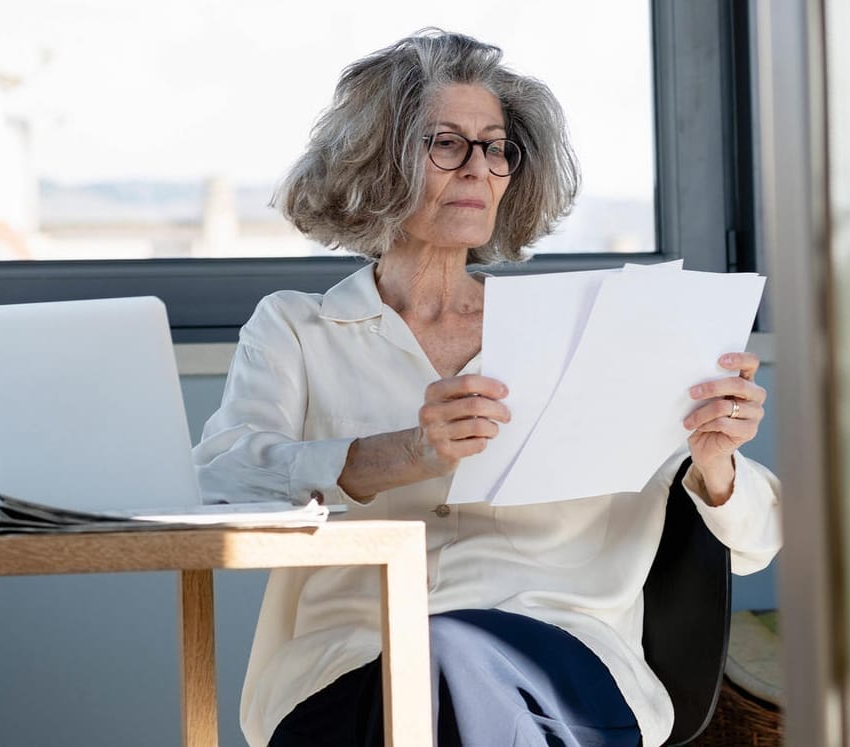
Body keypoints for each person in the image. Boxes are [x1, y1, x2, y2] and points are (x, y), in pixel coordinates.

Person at [193, 28, 781, 747]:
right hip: (350, 665)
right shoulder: (296, 328)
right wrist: (405, 451)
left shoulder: (582, 331)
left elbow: (754, 542)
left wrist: (716, 460)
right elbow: (224, 484)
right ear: (376, 161)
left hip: (559, 660)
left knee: (449, 665)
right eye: (446, 143)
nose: (478, 168)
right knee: (428, 677)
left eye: (496, 147)